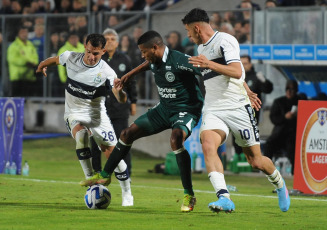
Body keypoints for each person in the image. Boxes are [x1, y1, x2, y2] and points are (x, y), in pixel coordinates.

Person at [80, 30, 205, 213]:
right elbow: (147, 64)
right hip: (164, 109)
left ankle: (189, 194)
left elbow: (206, 70)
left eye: (144, 51)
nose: (142, 55)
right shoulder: (154, 59)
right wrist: (130, 74)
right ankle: (105, 175)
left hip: (186, 109)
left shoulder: (180, 60)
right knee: (127, 133)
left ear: (155, 48)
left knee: (176, 138)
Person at [182, 8, 290, 213]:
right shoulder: (201, 50)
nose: (188, 36)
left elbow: (237, 70)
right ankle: (224, 198)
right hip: (214, 107)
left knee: (256, 161)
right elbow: (231, 75)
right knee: (207, 144)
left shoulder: (225, 41)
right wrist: (247, 88)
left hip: (238, 108)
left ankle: (280, 185)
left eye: (188, 32)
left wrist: (210, 64)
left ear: (197, 28)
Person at [35, 33, 134, 207]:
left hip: (96, 115)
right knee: (81, 135)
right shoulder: (71, 57)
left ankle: (127, 194)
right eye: (88, 51)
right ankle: (90, 178)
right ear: (84, 47)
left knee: (113, 155)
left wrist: (120, 92)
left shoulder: (107, 72)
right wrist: (42, 65)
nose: (90, 56)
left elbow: (122, 100)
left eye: (95, 53)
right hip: (74, 112)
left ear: (103, 51)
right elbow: (56, 59)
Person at [91, 28, 137, 176]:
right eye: (107, 39)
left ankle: (125, 173)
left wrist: (133, 101)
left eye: (112, 39)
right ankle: (96, 171)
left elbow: (131, 82)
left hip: (119, 108)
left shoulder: (125, 60)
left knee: (123, 140)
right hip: (98, 107)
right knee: (95, 142)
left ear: (117, 43)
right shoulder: (95, 59)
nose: (109, 41)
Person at [232, 54, 273, 155]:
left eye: (245, 63)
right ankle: (238, 160)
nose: (243, 65)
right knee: (236, 138)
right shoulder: (235, 77)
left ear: (250, 64)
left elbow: (268, 89)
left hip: (251, 115)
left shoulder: (256, 77)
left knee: (249, 138)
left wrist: (264, 80)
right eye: (241, 63)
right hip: (236, 113)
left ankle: (251, 160)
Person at [264, 80, 302, 175]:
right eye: (287, 89)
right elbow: (273, 118)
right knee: (269, 144)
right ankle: (266, 169)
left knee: (293, 149)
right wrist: (285, 117)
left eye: (292, 89)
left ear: (296, 90)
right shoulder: (279, 102)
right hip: (280, 133)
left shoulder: (300, 102)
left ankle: (295, 173)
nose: (289, 91)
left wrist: (298, 114)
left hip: (294, 134)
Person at [7, 26, 39, 97]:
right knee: (17, 99)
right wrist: (25, 62)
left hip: (29, 76)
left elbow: (35, 57)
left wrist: (34, 63)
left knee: (28, 99)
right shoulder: (14, 46)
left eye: (26, 32)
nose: (24, 34)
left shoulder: (30, 44)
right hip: (17, 77)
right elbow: (12, 59)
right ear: (18, 34)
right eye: (22, 32)